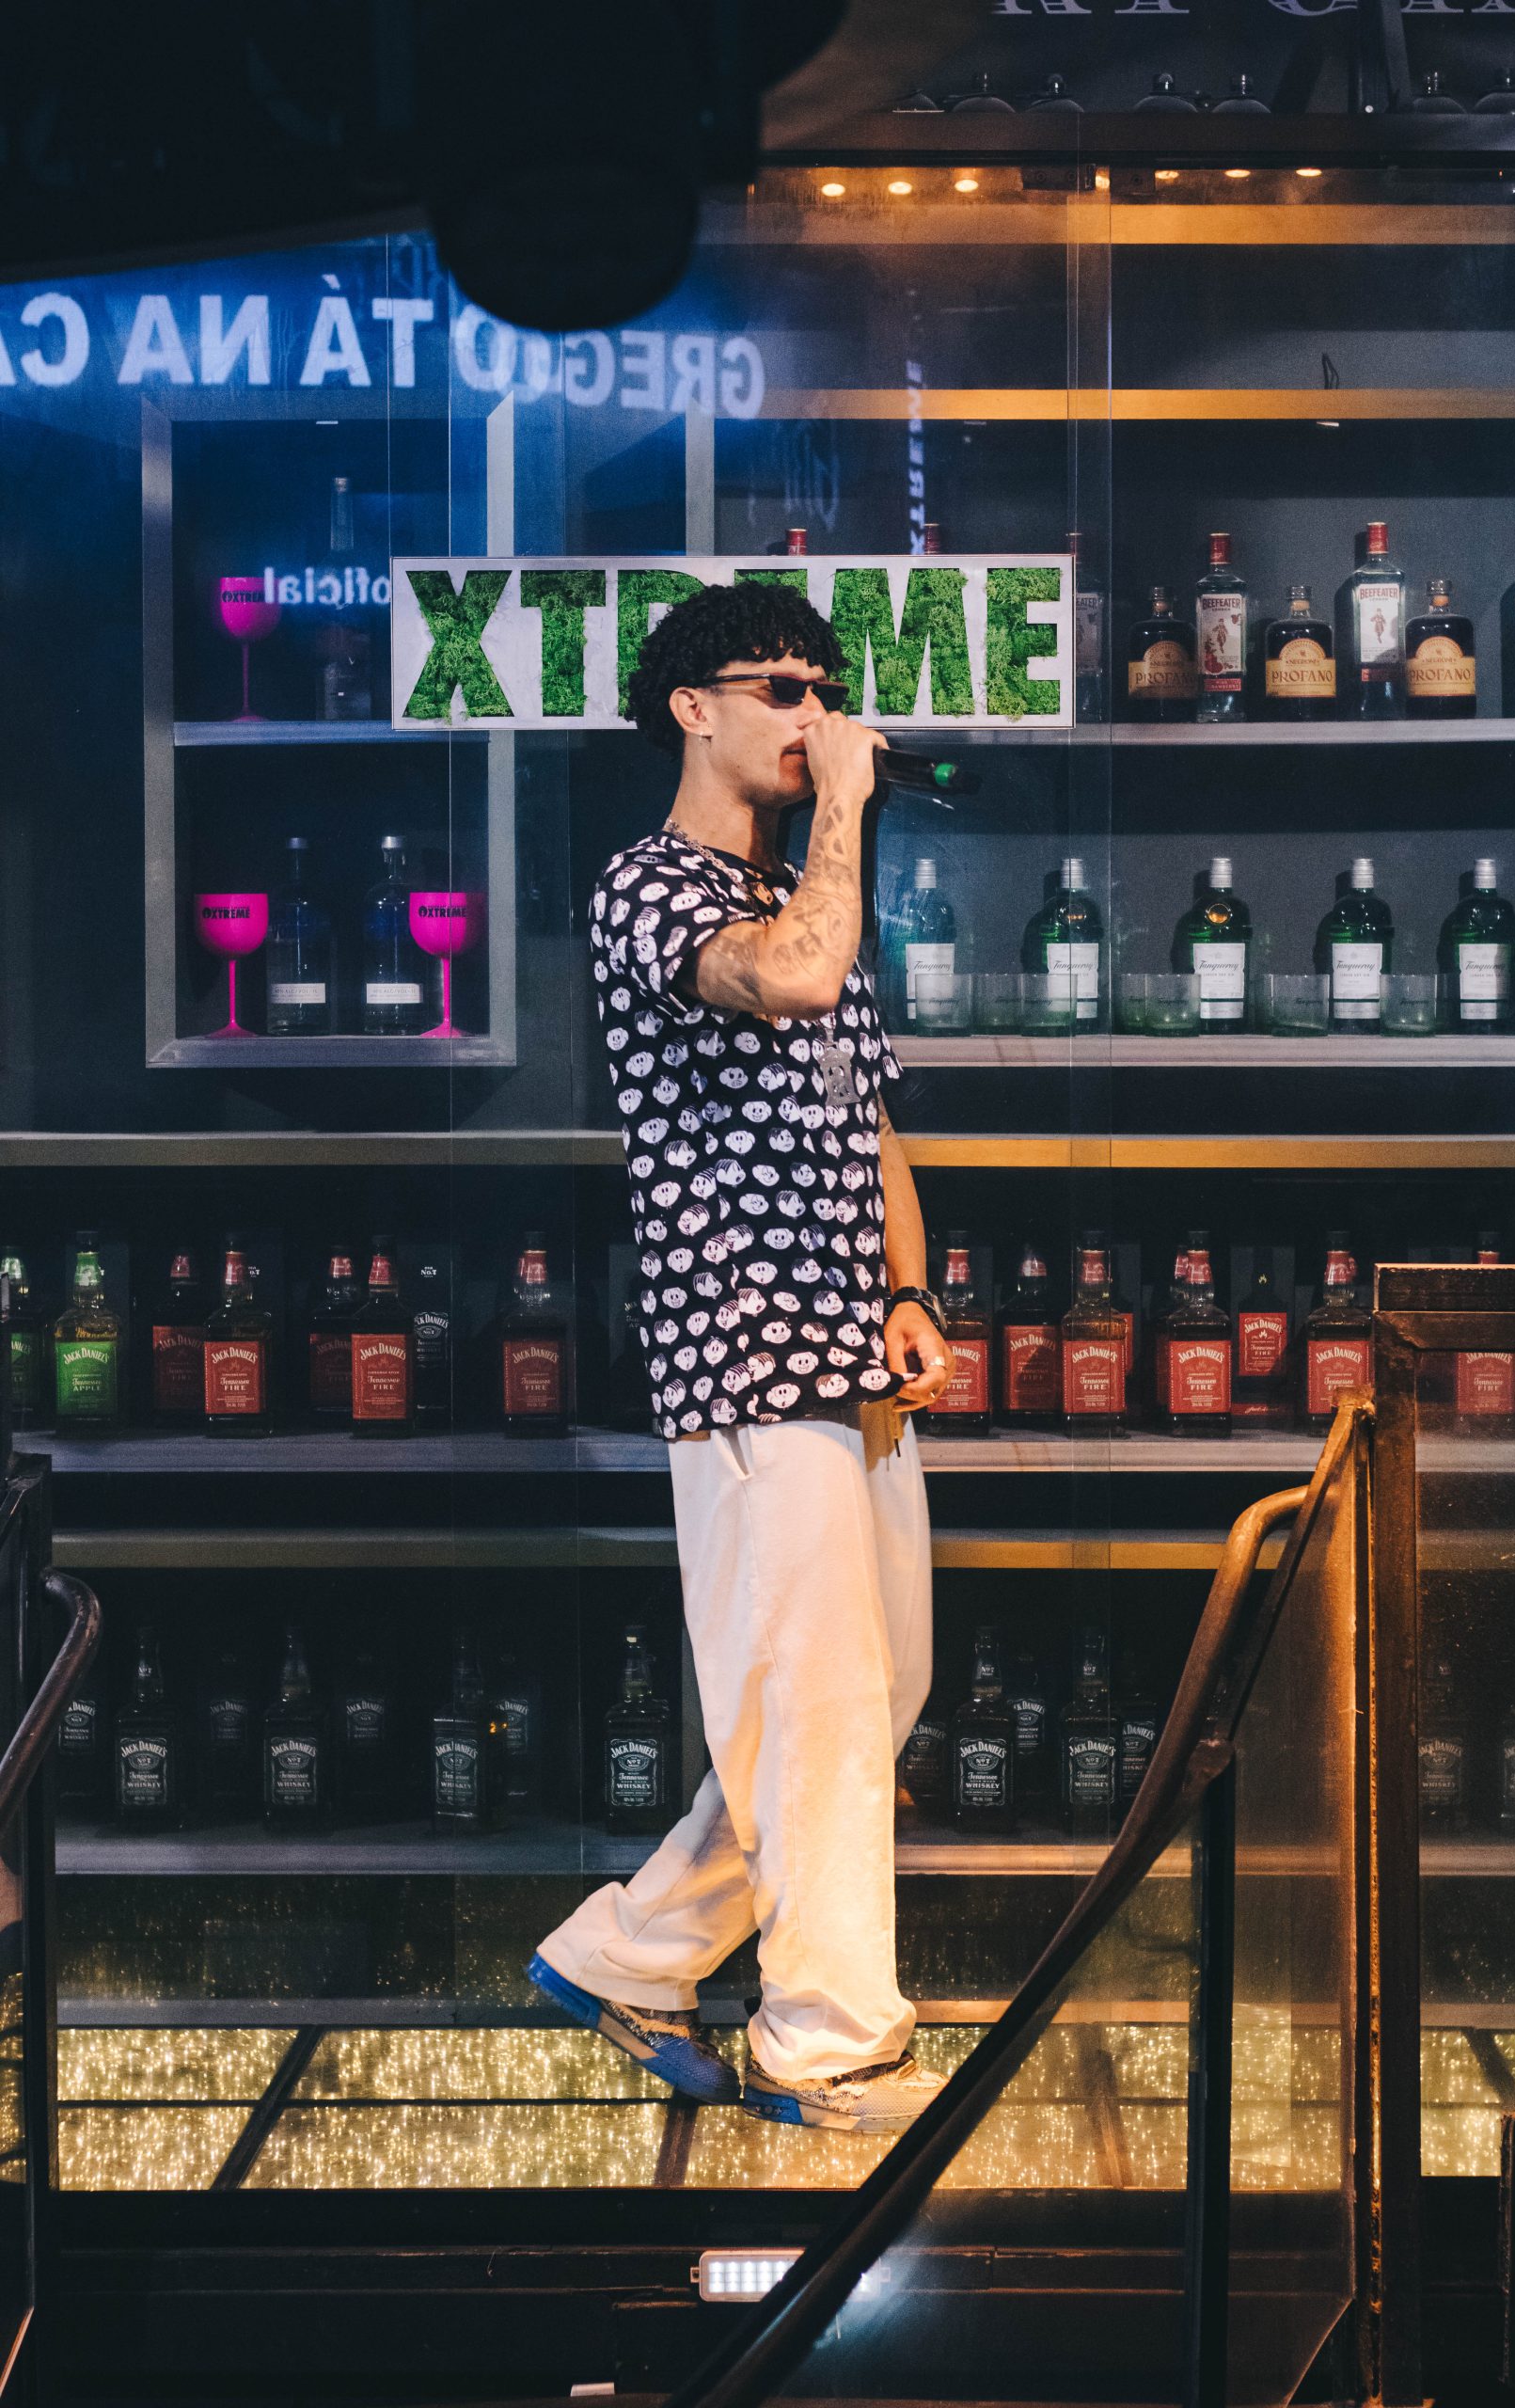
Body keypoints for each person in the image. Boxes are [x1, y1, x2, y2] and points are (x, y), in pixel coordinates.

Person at [529, 581, 955, 2133]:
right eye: (783, 688)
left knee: (867, 1694)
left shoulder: (804, 891)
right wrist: (842, 809)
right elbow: (792, 978)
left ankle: (629, 1954)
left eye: (827, 692)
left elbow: (872, 1121)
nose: (815, 715)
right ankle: (826, 2044)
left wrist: (911, 1289)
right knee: (820, 1708)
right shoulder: (648, 888)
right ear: (691, 709)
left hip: (852, 1355)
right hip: (746, 1357)